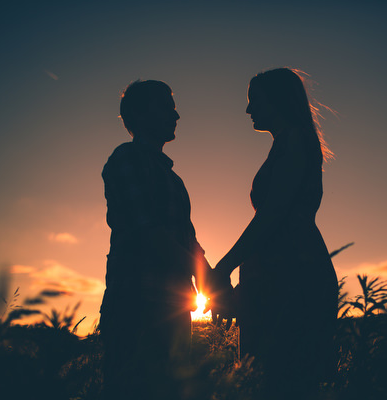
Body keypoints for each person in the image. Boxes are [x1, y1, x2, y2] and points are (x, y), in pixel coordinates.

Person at [210, 68, 339, 398]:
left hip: (292, 272)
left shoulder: (294, 141)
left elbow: (273, 215)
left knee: (283, 378)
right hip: (279, 272)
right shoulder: (287, 143)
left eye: (254, 100)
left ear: (278, 100)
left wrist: (223, 267)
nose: (248, 109)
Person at [99, 80, 212, 399]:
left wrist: (211, 277)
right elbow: (148, 233)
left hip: (173, 309)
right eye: (165, 106)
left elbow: (189, 240)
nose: (175, 115)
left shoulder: (173, 179)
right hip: (136, 303)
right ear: (138, 114)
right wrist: (209, 278)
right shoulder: (126, 160)